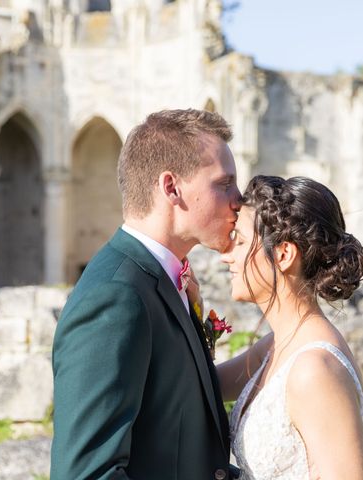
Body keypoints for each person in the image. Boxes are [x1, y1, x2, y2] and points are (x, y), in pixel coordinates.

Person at [51, 109, 247, 479]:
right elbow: (88, 474)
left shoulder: (161, 280)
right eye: (225, 184)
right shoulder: (115, 296)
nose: (239, 199)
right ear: (171, 188)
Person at [218, 175, 363, 480]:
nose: (226, 256)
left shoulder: (315, 369)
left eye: (238, 242)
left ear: (283, 254)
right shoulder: (277, 345)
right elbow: (204, 385)